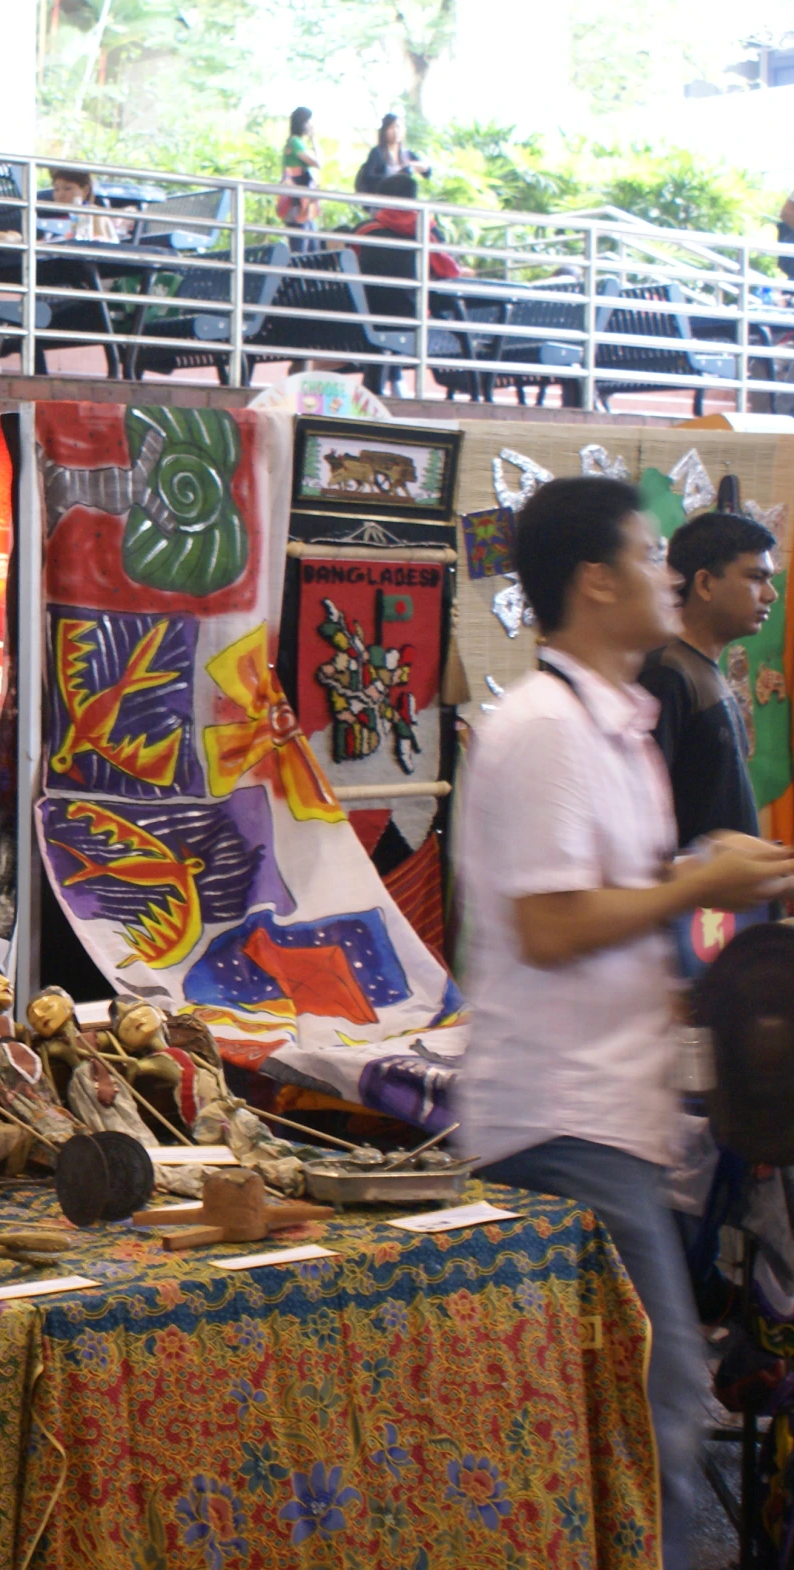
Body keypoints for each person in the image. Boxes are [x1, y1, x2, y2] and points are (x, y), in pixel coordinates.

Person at [458, 475, 794, 1570]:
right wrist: (695, 885)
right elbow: (551, 927)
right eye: (651, 555)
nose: (668, 574)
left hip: (611, 1113)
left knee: (628, 1401)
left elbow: (611, 934)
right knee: (658, 1397)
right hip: (557, 1120)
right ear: (594, 579)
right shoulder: (544, 728)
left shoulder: (622, 727)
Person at [640, 509, 780, 847]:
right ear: (704, 583)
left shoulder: (700, 667)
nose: (770, 595)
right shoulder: (666, 673)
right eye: (756, 578)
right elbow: (648, 825)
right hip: (696, 899)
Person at [351, 172, 461, 278]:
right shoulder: (428, 230)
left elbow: (349, 264)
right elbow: (448, 267)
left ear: (381, 199)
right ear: (413, 199)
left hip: (368, 296)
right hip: (419, 296)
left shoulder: (364, 230)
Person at [353, 111, 428, 193]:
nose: (396, 131)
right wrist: (396, 174)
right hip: (383, 199)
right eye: (391, 127)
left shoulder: (407, 154)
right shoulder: (377, 153)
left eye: (398, 127)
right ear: (384, 131)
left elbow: (427, 172)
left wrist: (416, 166)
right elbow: (368, 179)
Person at [48, 167, 123, 243]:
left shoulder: (94, 214)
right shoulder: (49, 215)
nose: (60, 195)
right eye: (56, 189)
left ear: (85, 190)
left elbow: (104, 243)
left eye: (67, 189)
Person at [276, 106, 320, 228]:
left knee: (311, 241)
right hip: (296, 201)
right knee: (300, 240)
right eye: (308, 121)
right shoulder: (295, 143)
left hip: (303, 200)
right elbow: (317, 163)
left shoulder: (298, 143)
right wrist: (313, 139)